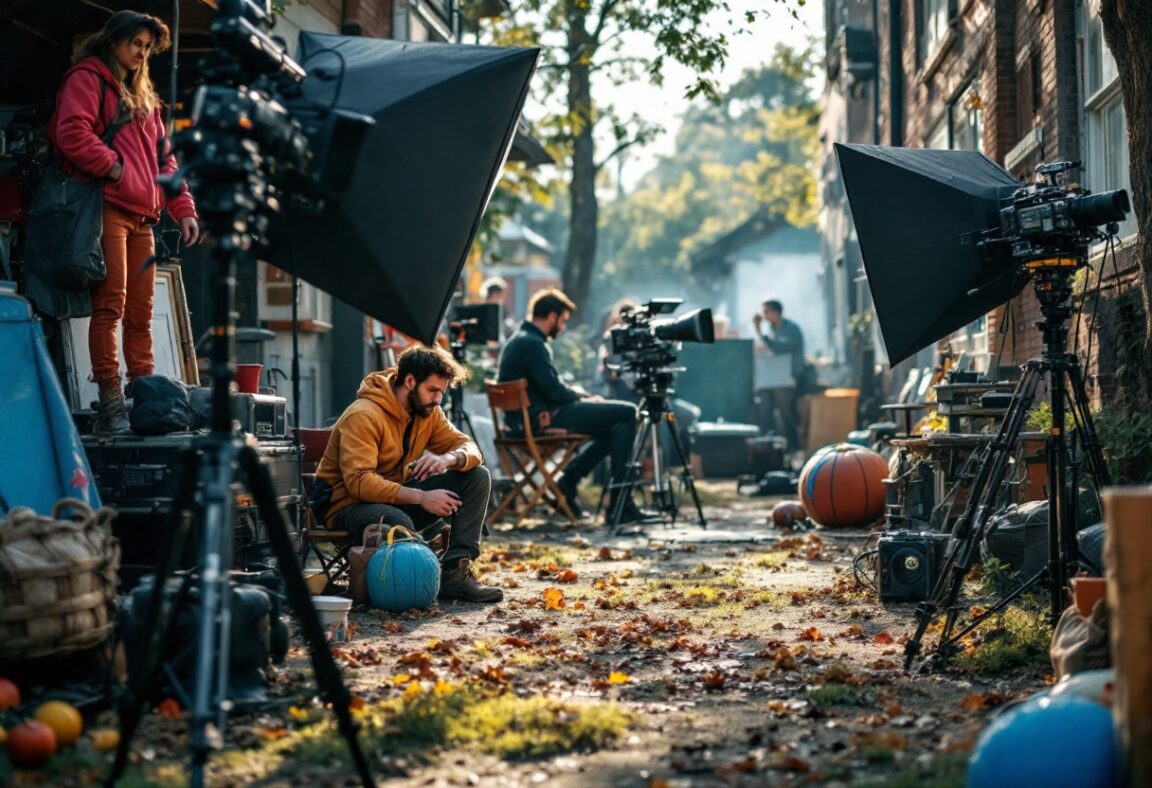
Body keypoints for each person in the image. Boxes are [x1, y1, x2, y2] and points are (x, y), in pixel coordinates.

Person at [48, 10, 200, 434]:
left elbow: (165, 160)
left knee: (140, 313)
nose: (142, 52)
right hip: (109, 209)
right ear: (114, 39)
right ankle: (111, 402)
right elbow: (71, 132)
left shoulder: (145, 96)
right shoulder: (88, 79)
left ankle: (144, 396)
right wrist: (114, 168)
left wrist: (184, 210)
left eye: (148, 47)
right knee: (110, 307)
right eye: (136, 43)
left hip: (143, 220)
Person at [314, 345, 503, 603]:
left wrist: (448, 458)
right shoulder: (364, 415)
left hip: (395, 498)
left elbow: (470, 448)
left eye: (442, 392)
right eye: (433, 391)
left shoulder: (428, 413)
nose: (438, 400)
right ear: (410, 381)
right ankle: (420, 574)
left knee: (476, 476)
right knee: (397, 519)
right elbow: (359, 483)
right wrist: (422, 497)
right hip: (347, 506)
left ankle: (454, 572)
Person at [497, 288, 654, 524]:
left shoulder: (520, 340)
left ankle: (580, 483)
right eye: (563, 320)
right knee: (627, 413)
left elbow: (548, 387)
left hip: (527, 420)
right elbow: (554, 390)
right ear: (552, 316)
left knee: (616, 426)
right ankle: (617, 502)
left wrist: (579, 396)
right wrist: (582, 397)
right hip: (544, 420)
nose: (562, 326)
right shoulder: (532, 344)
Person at [752, 299, 806, 451]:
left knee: (786, 413)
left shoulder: (791, 329)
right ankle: (773, 447)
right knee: (767, 413)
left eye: (767, 312)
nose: (765, 315)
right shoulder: (771, 329)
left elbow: (781, 347)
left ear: (776, 312)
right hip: (772, 378)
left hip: (787, 377)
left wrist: (760, 333)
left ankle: (794, 448)